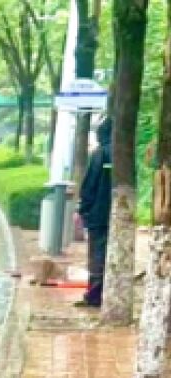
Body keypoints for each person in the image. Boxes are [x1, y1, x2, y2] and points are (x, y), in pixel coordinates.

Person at [77, 117, 113, 308]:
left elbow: (90, 185)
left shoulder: (100, 154)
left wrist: (83, 209)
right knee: (110, 254)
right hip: (118, 215)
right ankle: (107, 293)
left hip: (98, 215)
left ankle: (94, 296)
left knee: (97, 255)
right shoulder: (123, 154)